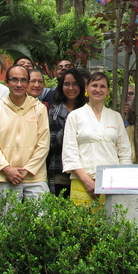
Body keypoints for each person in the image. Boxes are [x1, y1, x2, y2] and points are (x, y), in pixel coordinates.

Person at [62, 72, 132, 206]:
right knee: (82, 225)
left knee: (111, 224)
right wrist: (87, 181)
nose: (98, 90)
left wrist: (121, 179)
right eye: (94, 85)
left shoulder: (116, 117)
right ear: (86, 88)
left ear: (107, 91)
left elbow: (124, 152)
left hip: (112, 183)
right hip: (82, 182)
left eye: (102, 86)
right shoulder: (75, 116)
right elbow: (70, 153)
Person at [0, 65, 51, 201]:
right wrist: (7, 169)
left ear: (27, 83)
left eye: (23, 80)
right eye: (14, 80)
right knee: (8, 221)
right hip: (5, 177)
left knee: (39, 220)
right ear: (7, 82)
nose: (19, 84)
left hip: (35, 178)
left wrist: (27, 170)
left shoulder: (39, 108)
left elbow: (43, 144)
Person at [48, 68, 86, 197]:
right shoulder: (55, 110)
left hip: (85, 170)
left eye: (75, 84)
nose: (71, 88)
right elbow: (52, 142)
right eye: (67, 84)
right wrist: (70, 126)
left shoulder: (88, 109)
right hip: (61, 169)